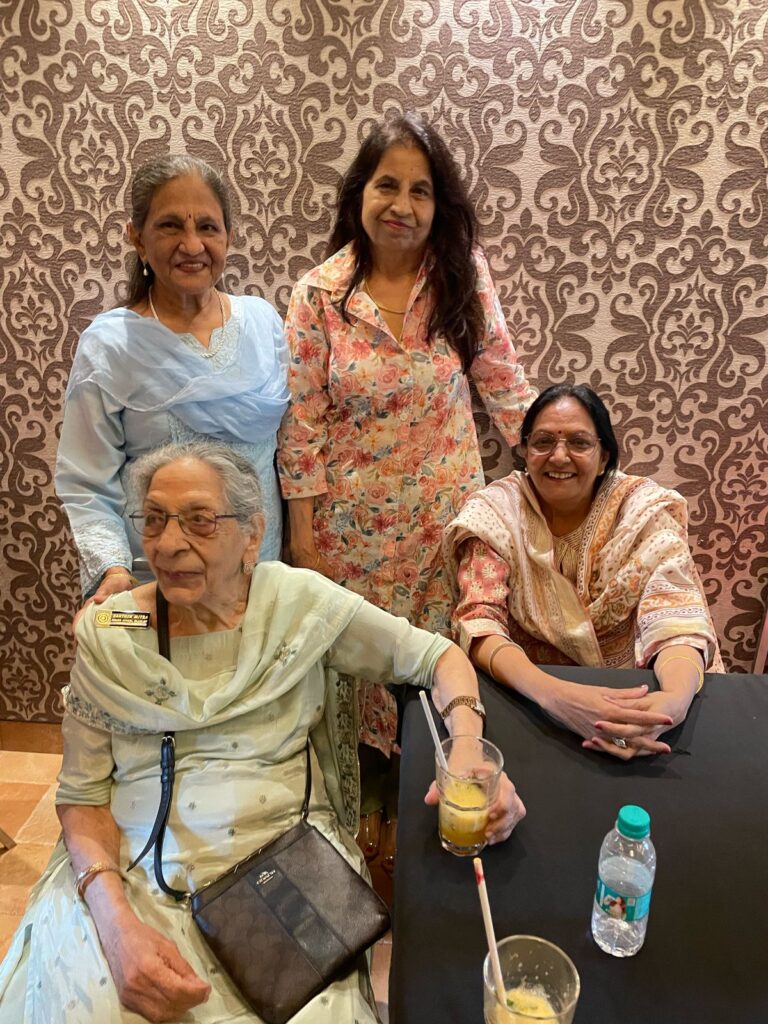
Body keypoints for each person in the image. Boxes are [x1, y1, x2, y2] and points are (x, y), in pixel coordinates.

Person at [0, 441, 525, 1023]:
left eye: (199, 520)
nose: (168, 543)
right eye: (153, 519)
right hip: (132, 871)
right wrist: (114, 921)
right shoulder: (113, 631)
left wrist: (467, 749)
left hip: (284, 866)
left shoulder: (297, 603)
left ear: (252, 534)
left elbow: (437, 657)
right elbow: (81, 794)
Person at [277, 112, 536, 832]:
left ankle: (429, 808)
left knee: (438, 670)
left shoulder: (461, 277)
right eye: (386, 185)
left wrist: (570, 463)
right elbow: (301, 428)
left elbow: (504, 384)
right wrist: (304, 544)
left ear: (438, 203)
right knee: (356, 675)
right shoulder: (318, 295)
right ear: (359, 193)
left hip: (441, 531)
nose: (402, 205)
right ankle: (363, 820)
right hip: (348, 540)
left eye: (420, 190)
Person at [55, 154, 289, 605]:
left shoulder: (264, 324)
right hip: (163, 581)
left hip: (260, 576)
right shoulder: (110, 345)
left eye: (208, 227)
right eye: (169, 226)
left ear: (229, 236)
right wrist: (113, 570)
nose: (192, 244)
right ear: (137, 238)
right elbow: (87, 483)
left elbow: (291, 457)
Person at [445, 383, 723, 760]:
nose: (559, 456)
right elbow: (479, 622)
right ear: (524, 451)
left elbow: (675, 617)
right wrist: (557, 697)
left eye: (578, 443)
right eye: (543, 442)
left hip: (635, 696)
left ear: (604, 455)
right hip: (532, 702)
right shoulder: (496, 514)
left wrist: (670, 703)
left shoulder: (640, 513)